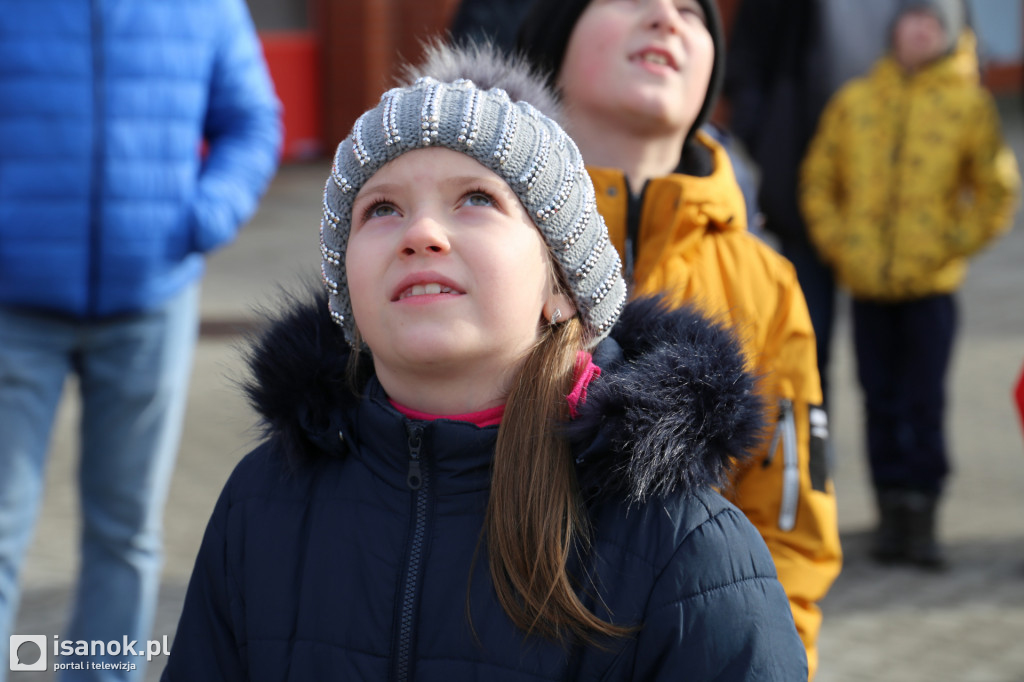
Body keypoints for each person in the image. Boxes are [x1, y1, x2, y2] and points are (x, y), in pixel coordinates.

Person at [161, 42, 807, 680]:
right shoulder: (260, 505)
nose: (421, 234)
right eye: (381, 209)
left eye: (476, 199)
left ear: (561, 286)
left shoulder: (681, 547)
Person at [517, 1, 842, 677]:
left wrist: (775, 658)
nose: (666, 16)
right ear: (555, 40)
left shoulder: (766, 282)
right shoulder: (487, 239)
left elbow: (789, 524)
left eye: (692, 11)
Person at [0, 1, 281, 678]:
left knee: (126, 531)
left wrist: (204, 216)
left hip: (149, 303)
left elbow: (252, 121)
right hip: (11, 306)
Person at [800, 0, 1019, 569]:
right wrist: (843, 244)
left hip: (930, 289)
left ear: (948, 37)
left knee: (923, 401)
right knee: (878, 400)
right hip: (869, 287)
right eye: (910, 21)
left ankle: (923, 516)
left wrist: (949, 241)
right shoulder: (857, 100)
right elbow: (820, 180)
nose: (918, 31)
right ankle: (889, 512)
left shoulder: (968, 106)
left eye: (932, 24)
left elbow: (996, 190)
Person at [724, 0, 900, 402]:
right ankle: (812, 456)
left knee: (896, 362)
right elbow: (746, 62)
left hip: (895, 208)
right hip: (800, 190)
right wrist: (766, 138)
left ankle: (902, 465)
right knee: (805, 344)